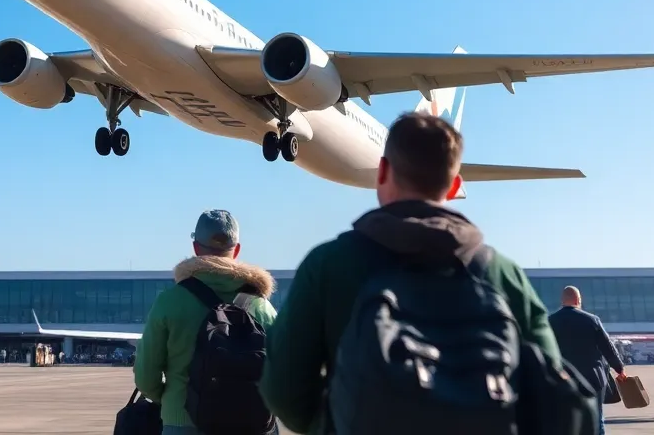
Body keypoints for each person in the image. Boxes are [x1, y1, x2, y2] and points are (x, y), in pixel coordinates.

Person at [259, 112, 562, 435]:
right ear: (455, 185)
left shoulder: (328, 265)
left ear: (382, 172)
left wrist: (338, 423)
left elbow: (283, 390)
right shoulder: (502, 274)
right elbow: (555, 394)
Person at [133, 208, 279, 434]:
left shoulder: (170, 301)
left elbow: (146, 375)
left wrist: (173, 399)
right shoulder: (262, 307)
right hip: (251, 422)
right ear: (236, 249)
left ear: (195, 248)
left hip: (183, 422)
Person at [548, 286, 626, 435]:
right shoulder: (592, 320)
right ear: (578, 300)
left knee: (566, 420)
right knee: (596, 419)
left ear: (562, 301)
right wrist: (619, 369)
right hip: (592, 378)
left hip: (563, 379)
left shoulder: (550, 321)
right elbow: (607, 347)